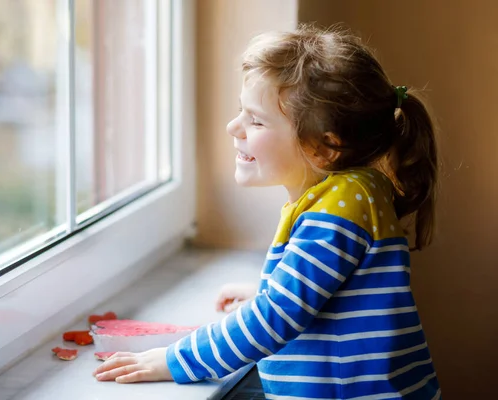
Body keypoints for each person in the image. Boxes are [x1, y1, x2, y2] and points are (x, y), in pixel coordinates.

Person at [93, 24, 441, 399]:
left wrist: (173, 361)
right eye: (241, 112)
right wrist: (268, 289)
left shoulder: (343, 206)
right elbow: (329, 289)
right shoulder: (351, 193)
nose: (233, 127)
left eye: (255, 120)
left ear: (325, 148)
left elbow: (273, 319)